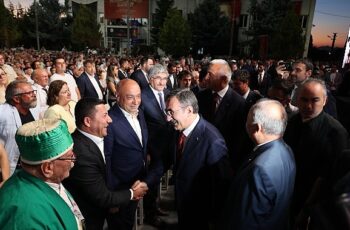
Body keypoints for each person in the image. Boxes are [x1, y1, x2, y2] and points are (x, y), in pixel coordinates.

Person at [63, 98, 148, 230]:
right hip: (89, 218)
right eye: (104, 115)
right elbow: (102, 197)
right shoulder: (81, 154)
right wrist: (132, 193)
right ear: (87, 121)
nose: (110, 120)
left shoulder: (95, 139)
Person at [284, 78, 349, 229]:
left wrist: (307, 210)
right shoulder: (293, 122)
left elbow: (330, 179)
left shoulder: (336, 133)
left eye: (315, 100)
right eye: (304, 100)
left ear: (325, 101)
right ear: (297, 100)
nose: (308, 106)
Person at [221, 99, 296, 230]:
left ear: (257, 128)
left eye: (247, 120)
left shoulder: (259, 169)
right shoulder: (286, 149)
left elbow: (247, 220)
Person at [0, 119, 83, 229]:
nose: (73, 160)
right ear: (47, 168)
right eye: (69, 156)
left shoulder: (43, 180)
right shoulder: (24, 214)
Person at [165, 88, 231, 229]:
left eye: (171, 112)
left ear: (188, 110)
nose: (168, 118)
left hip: (202, 215)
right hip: (184, 208)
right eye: (167, 112)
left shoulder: (212, 140)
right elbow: (168, 160)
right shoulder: (178, 130)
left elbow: (221, 186)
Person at [104, 79, 163, 230]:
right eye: (130, 97)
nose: (136, 101)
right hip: (120, 190)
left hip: (138, 182)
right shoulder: (109, 121)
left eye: (138, 96)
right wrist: (112, 199)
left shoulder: (140, 113)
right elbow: (107, 160)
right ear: (117, 96)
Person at [196, 59, 248, 170]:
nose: (206, 78)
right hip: (200, 162)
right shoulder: (200, 97)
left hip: (223, 165)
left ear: (224, 79)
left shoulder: (239, 104)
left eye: (210, 74)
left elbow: (239, 142)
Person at [140, 64, 174, 226]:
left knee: (156, 180)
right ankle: (150, 215)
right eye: (158, 78)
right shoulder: (143, 96)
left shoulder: (168, 93)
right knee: (150, 182)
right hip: (151, 148)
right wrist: (145, 150)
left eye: (165, 78)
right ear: (150, 79)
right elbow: (141, 126)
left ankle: (155, 207)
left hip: (167, 146)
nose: (162, 82)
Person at [0, 80, 39, 174]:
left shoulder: (33, 110)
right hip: (9, 170)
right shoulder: (2, 113)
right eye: (29, 93)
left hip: (31, 167)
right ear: (16, 99)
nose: (33, 95)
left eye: (33, 91)